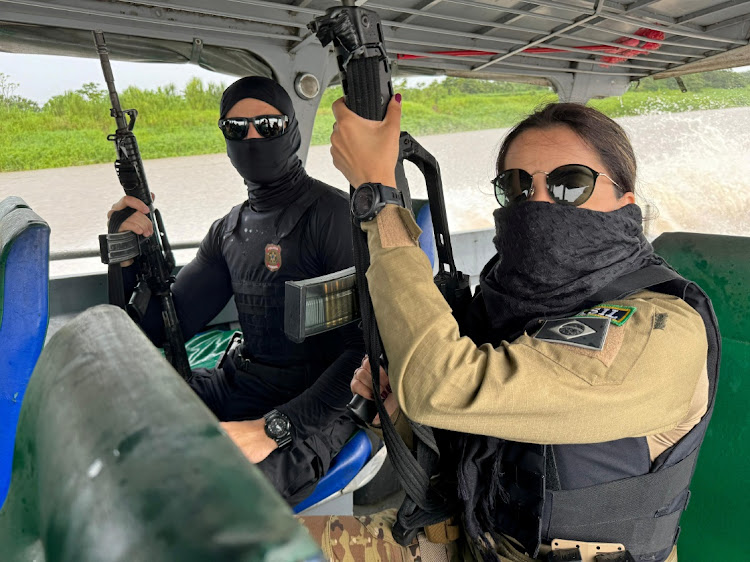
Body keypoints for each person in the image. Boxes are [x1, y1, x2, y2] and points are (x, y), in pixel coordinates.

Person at [298, 98, 718, 562]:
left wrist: (377, 200)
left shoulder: (662, 332)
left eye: (569, 183)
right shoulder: (504, 304)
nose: (537, 202)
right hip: (471, 535)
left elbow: (445, 386)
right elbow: (466, 426)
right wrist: (398, 408)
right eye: (516, 187)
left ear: (626, 201)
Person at [105, 76, 364, 505]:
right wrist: (127, 257)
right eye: (237, 128)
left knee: (217, 500)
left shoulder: (334, 216)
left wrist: (273, 427)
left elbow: (363, 357)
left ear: (292, 130)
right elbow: (152, 329)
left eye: (268, 124)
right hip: (240, 380)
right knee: (119, 417)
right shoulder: (229, 230)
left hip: (320, 405)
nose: (254, 137)